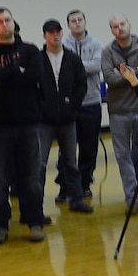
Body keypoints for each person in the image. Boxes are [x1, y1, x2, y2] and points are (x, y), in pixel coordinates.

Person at [0, 7, 53, 244]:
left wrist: (2, 78)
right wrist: (16, 72)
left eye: (7, 20)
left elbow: (35, 76)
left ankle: (35, 222)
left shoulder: (30, 51)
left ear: (13, 23)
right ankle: (0, 226)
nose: (4, 24)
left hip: (28, 124)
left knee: (31, 177)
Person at [36, 19, 94, 213]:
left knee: (70, 161)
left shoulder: (72, 58)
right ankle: (36, 204)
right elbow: (32, 87)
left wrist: (74, 106)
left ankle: (76, 199)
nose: (55, 35)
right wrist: (40, 108)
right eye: (51, 32)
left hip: (68, 119)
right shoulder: (38, 59)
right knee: (40, 163)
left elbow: (81, 84)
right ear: (44, 35)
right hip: (44, 121)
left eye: (58, 31)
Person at [102, 13, 138, 209]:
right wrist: (136, 72)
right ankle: (131, 198)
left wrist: (124, 73)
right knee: (123, 156)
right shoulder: (107, 51)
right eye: (115, 26)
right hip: (119, 112)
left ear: (129, 24)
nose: (120, 29)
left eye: (122, 24)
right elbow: (109, 78)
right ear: (112, 30)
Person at [62, 9, 105, 201]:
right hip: (69, 104)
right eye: (73, 20)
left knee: (89, 147)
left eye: (80, 20)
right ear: (68, 25)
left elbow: (97, 66)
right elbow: (60, 68)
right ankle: (66, 186)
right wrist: (79, 66)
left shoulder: (96, 44)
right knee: (67, 149)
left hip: (91, 102)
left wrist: (74, 65)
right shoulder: (62, 44)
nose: (77, 23)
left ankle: (85, 183)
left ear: (85, 22)